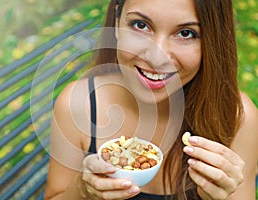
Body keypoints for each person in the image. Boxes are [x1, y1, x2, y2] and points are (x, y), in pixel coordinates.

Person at [44, 0, 258, 199]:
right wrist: (82, 192)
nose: (157, 57)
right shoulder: (80, 103)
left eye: (185, 33)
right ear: (117, 21)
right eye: (140, 25)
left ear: (213, 40)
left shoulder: (238, 118)